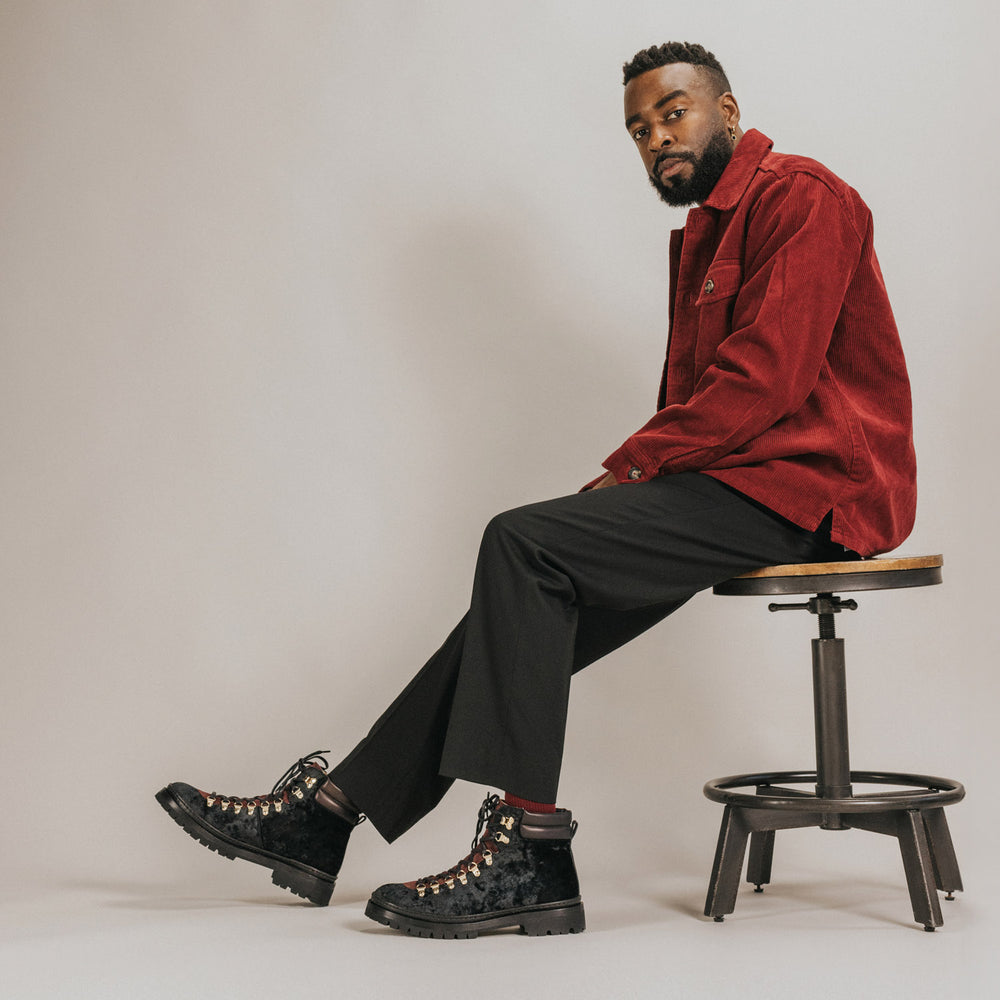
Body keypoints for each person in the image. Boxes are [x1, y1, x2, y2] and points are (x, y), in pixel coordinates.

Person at [155, 41, 916, 939]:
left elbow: (765, 381)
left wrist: (628, 472)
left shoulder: (801, 197)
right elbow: (708, 402)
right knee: (524, 599)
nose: (656, 137)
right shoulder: (706, 231)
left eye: (674, 112)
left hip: (818, 491)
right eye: (639, 128)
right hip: (741, 485)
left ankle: (529, 849)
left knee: (526, 542)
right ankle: (325, 817)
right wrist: (636, 484)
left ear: (730, 112)